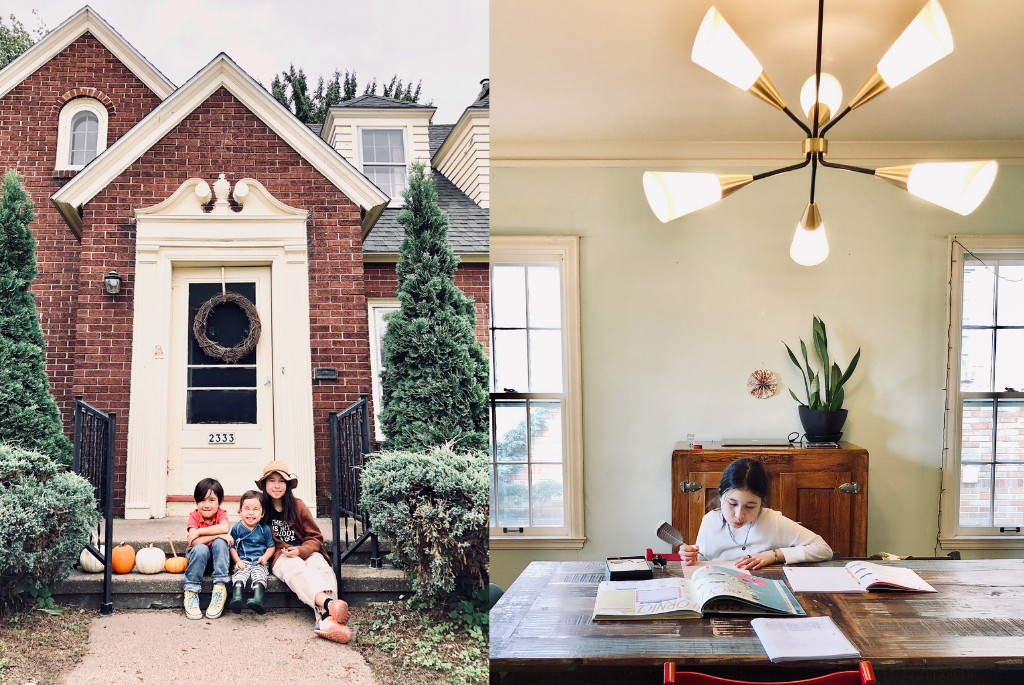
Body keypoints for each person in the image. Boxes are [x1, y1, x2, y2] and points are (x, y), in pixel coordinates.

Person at [256, 461, 352, 643]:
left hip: (305, 550)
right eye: (271, 481)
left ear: (288, 485)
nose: (277, 486)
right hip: (281, 555)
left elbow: (315, 537)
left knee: (323, 569)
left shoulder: (297, 506)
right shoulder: (261, 509)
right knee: (298, 570)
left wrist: (300, 550)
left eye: (281, 481)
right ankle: (330, 606)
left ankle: (325, 621)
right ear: (264, 485)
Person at [682, 458, 833, 569]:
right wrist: (690, 556)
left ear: (762, 503)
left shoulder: (773, 521)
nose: (739, 515)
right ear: (721, 496)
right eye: (732, 504)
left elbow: (824, 549)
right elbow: (702, 558)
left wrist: (774, 555)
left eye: (750, 506)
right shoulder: (710, 521)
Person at [184, 477, 232, 620]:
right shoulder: (194, 516)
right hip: (198, 561)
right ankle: (191, 591)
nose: (206, 505)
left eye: (211, 500)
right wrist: (218, 534)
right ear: (196, 502)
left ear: (220, 502)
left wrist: (200, 532)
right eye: (202, 500)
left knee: (220, 543)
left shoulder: (221, 513)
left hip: (217, 562)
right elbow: (194, 542)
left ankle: (219, 587)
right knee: (201, 548)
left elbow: (225, 527)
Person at [228, 490, 275, 614]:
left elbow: (271, 546)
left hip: (259, 561)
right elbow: (232, 547)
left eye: (255, 509)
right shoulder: (237, 528)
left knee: (259, 575)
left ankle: (258, 600)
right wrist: (237, 561)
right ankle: (237, 598)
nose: (250, 513)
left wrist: (265, 557)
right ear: (240, 510)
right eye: (247, 509)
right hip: (243, 560)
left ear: (262, 513)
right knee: (239, 575)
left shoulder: (264, 529)